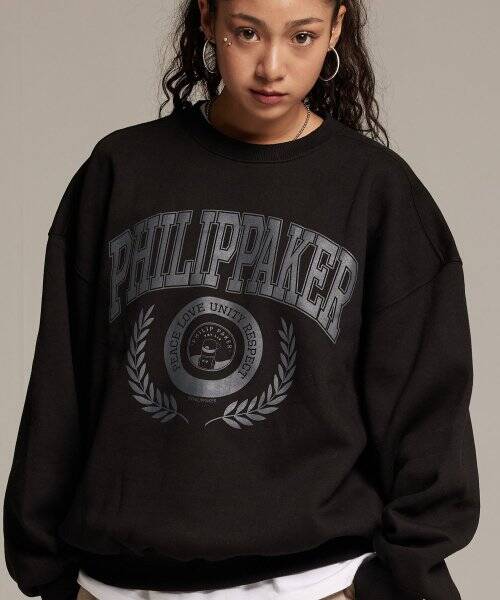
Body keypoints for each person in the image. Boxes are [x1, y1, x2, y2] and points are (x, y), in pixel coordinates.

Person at [3, 1, 480, 599]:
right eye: (247, 32)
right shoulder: (121, 171)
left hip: (314, 583)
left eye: (302, 36)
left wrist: (391, 583)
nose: (272, 66)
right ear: (207, 18)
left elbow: (429, 417)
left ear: (336, 28)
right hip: (119, 583)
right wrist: (49, 576)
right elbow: (60, 384)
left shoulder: (376, 191)